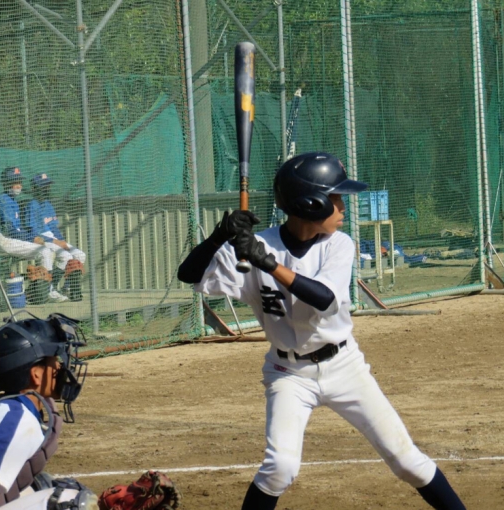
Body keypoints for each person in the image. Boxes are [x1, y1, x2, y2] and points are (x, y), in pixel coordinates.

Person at [177, 152, 467, 510]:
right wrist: (219, 236)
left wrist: (267, 263)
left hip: (345, 367)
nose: (343, 207)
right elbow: (189, 275)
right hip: (288, 373)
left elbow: (324, 298)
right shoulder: (256, 246)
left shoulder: (337, 244)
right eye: (336, 198)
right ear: (310, 205)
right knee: (279, 468)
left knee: (407, 461)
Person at [0, 313, 96, 509]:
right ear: (36, 375)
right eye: (55, 359)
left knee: (41, 486)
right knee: (70, 502)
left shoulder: (14, 410)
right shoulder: (16, 419)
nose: (61, 366)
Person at [0, 167, 68, 303]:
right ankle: (46, 292)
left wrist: (33, 238)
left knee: (47, 250)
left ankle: (38, 291)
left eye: (20, 181)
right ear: (6, 183)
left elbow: (17, 231)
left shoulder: (11, 200)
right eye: (15, 182)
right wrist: (32, 238)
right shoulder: (4, 201)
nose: (19, 185)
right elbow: (11, 231)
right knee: (44, 252)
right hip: (2, 239)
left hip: (9, 239)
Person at [26, 173, 86, 302]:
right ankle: (50, 289)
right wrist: (55, 241)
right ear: (36, 188)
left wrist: (62, 241)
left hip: (53, 238)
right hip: (41, 239)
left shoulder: (48, 204)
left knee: (80, 255)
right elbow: (33, 232)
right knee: (65, 256)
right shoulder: (32, 205)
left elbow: (53, 228)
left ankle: (67, 288)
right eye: (43, 186)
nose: (47, 189)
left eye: (47, 186)